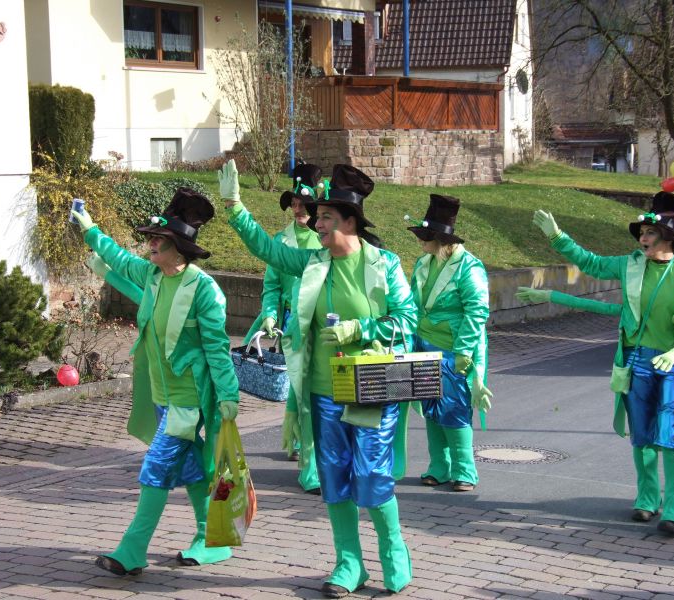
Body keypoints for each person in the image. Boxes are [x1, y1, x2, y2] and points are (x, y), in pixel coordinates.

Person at [219, 160, 415, 598]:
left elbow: (407, 319)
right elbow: (269, 252)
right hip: (324, 392)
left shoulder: (384, 264)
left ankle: (393, 550)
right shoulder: (314, 262)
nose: (317, 223)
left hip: (369, 388)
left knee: (372, 475)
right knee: (334, 477)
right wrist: (235, 208)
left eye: (326, 216)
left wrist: (360, 329)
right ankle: (349, 563)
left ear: (350, 222)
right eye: (317, 216)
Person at [70, 188, 240, 574]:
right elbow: (118, 257)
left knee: (156, 466)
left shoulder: (203, 290)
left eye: (157, 239)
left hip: (189, 398)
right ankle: (213, 539)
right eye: (150, 237)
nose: (150, 244)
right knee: (192, 467)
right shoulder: (153, 275)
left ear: (178, 246)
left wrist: (229, 394)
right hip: (162, 395)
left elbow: (217, 349)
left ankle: (132, 550)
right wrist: (90, 229)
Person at [531, 191, 674, 535]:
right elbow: (590, 263)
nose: (642, 238)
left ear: (668, 237)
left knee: (673, 438)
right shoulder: (631, 264)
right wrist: (557, 237)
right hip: (637, 361)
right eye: (642, 233)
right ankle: (647, 499)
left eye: (650, 233)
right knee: (642, 436)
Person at [242, 163, 323, 493]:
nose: (299, 209)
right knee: (300, 388)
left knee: (311, 391)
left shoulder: (326, 239)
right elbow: (272, 286)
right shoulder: (280, 240)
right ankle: (305, 455)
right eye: (294, 203)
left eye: (304, 204)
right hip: (292, 325)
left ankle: (300, 442)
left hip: (324, 323)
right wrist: (270, 315)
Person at [405, 195, 492, 492]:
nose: (420, 241)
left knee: (454, 409)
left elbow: (477, 311)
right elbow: (413, 304)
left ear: (440, 240)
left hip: (454, 351)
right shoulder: (424, 262)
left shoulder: (469, 267)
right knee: (431, 408)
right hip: (424, 347)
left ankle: (465, 470)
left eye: (425, 236)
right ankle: (439, 467)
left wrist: (464, 351)